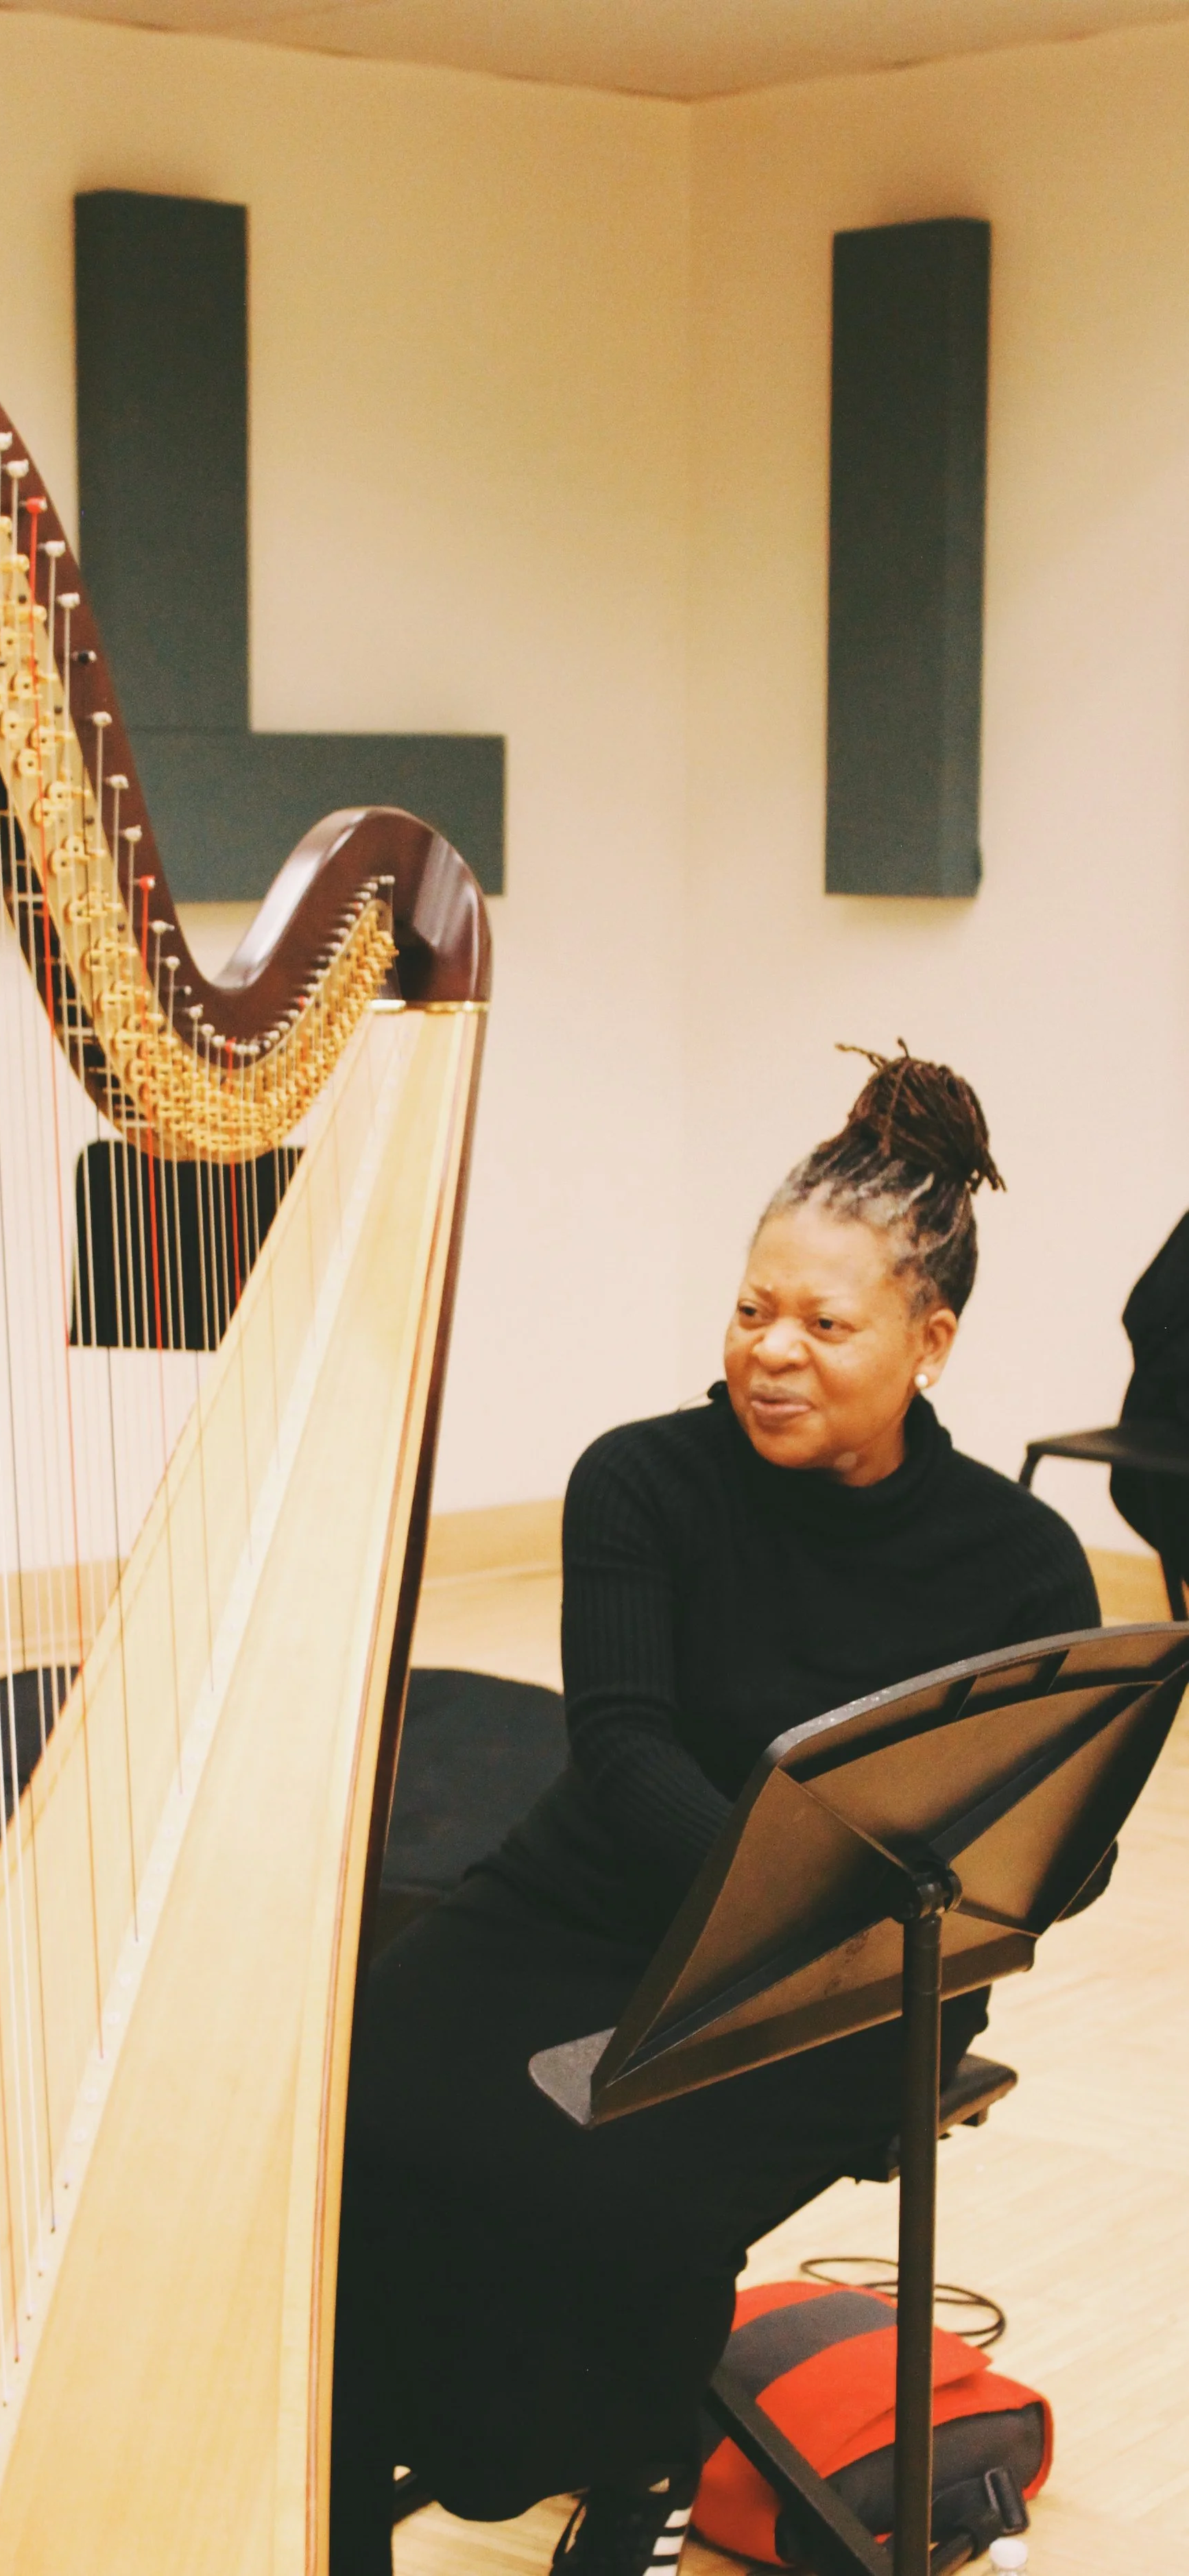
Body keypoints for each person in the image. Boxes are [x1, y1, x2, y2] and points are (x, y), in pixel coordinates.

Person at [333, 1046, 1100, 2576]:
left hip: (847, 1981)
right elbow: (622, 1759)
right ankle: (353, 2465)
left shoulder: (1016, 1566)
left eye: (825, 1323)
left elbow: (1055, 1862)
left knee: (609, 2180)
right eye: (752, 1309)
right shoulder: (642, 1482)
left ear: (927, 1341)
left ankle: (629, 2475)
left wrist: (861, 1912)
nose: (770, 1351)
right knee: (358, 2104)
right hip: (596, 1903)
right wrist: (795, 1874)